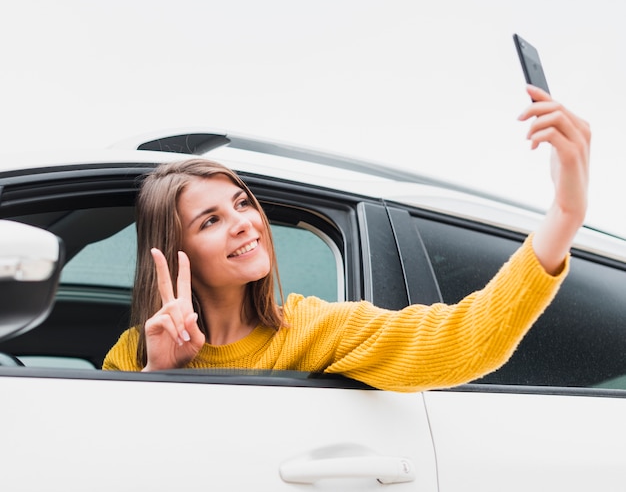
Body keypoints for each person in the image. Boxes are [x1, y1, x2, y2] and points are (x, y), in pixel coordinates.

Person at [103, 85, 591, 392]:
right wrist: (158, 379)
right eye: (209, 221)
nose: (244, 224)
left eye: (243, 203)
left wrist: (566, 214)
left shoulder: (314, 329)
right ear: (175, 250)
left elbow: (466, 338)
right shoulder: (134, 353)